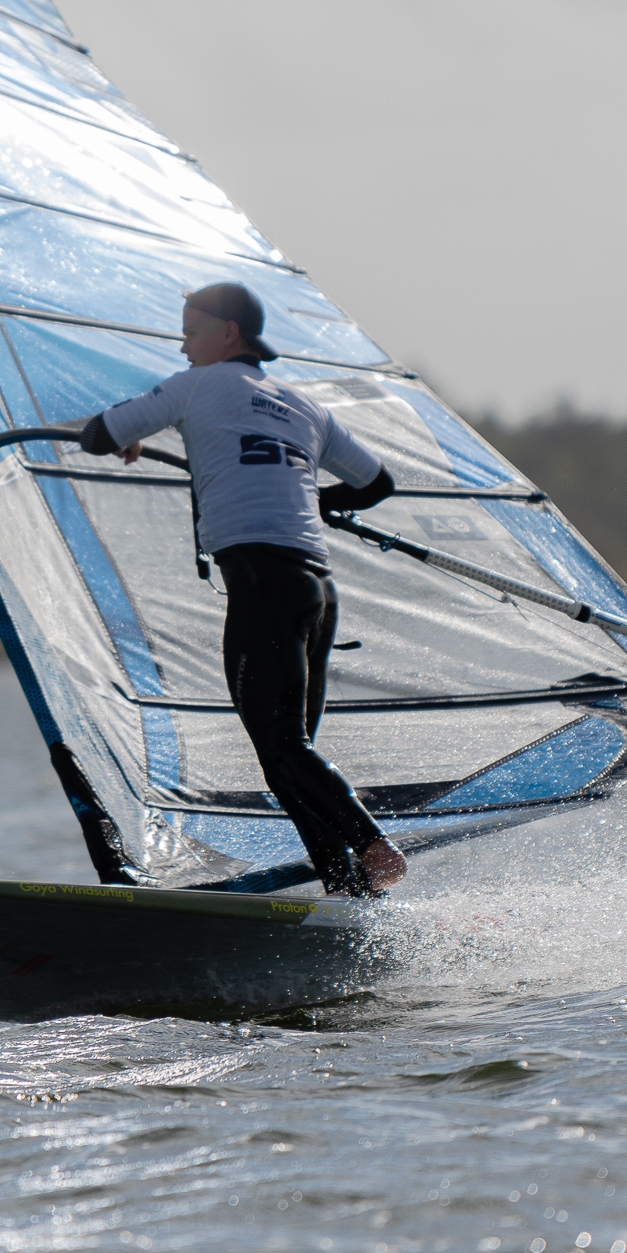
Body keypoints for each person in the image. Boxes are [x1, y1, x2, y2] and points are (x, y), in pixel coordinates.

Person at [77, 282, 406, 895]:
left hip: (264, 587)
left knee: (282, 748)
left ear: (228, 332)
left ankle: (372, 845)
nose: (182, 346)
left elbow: (97, 434)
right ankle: (350, 891)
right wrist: (313, 498)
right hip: (317, 592)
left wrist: (130, 434)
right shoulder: (304, 406)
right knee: (287, 756)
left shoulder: (196, 385)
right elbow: (376, 484)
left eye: (190, 332)